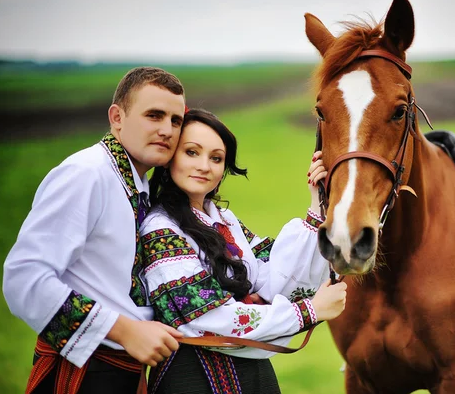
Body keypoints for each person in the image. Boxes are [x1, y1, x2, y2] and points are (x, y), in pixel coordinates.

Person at [2, 66, 188, 394]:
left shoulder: (138, 183)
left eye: (176, 120)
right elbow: (23, 279)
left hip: (122, 371)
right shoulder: (86, 174)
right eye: (154, 115)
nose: (167, 130)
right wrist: (125, 331)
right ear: (117, 117)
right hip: (86, 371)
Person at [141, 108, 347, 394]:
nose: (204, 165)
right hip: (195, 376)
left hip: (252, 371)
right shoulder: (160, 229)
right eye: (191, 152)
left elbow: (272, 277)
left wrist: (317, 205)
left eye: (216, 158)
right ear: (170, 156)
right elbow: (210, 317)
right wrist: (309, 311)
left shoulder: (224, 219)